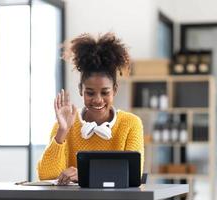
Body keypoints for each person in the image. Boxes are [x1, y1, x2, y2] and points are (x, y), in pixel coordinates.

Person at [37, 33, 144, 185]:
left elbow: (132, 175)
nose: (98, 100)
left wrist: (85, 175)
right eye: (90, 93)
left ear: (115, 90)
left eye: (105, 92)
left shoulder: (131, 123)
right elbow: (47, 176)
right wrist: (62, 131)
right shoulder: (66, 124)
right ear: (81, 90)